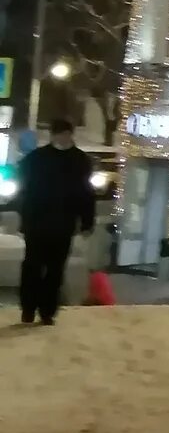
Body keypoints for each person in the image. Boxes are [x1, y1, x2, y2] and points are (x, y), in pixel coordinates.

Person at [16, 119, 97, 327]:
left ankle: (47, 311)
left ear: (71, 135)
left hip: (63, 224)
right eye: (59, 134)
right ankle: (28, 308)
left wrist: (87, 222)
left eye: (65, 134)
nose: (62, 137)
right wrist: (24, 219)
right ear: (53, 135)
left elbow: (86, 194)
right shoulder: (36, 159)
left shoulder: (80, 161)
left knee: (55, 270)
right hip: (37, 223)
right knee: (32, 267)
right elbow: (25, 192)